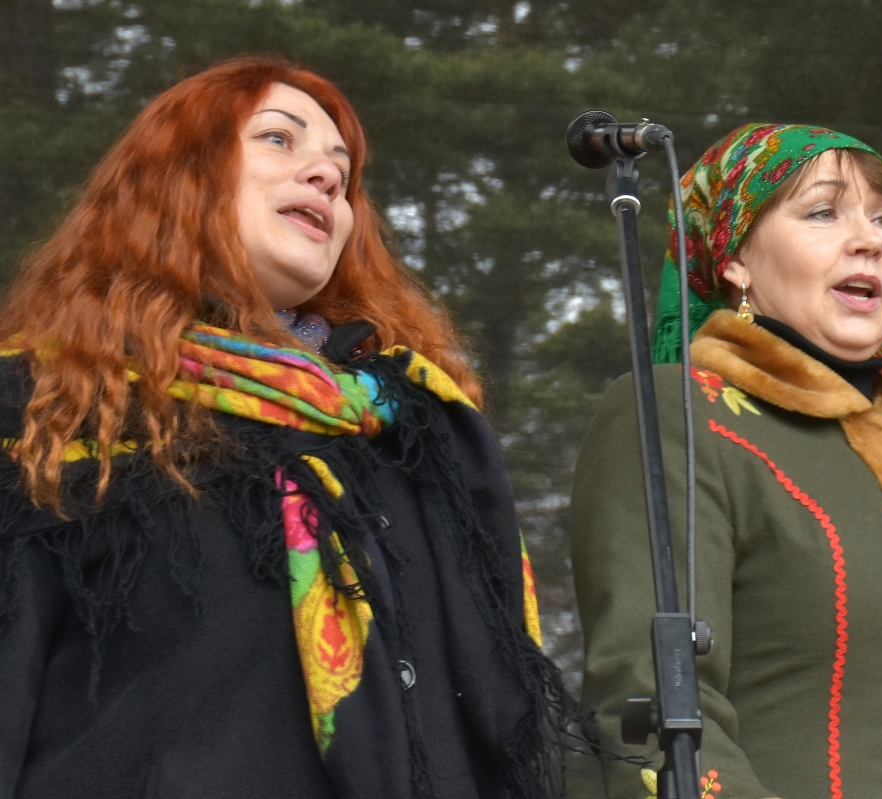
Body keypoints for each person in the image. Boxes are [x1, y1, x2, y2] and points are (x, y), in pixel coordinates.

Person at [0, 56, 568, 799]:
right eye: (278, 138)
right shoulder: (48, 404)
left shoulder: (410, 432)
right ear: (179, 177)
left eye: (344, 172)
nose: (327, 176)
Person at [570, 124, 882, 799]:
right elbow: (642, 704)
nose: (869, 239)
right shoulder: (678, 413)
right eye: (823, 212)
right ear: (735, 258)